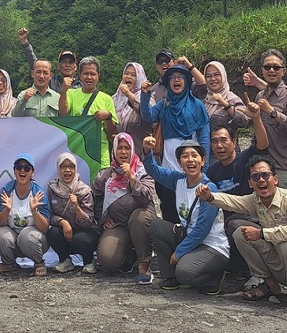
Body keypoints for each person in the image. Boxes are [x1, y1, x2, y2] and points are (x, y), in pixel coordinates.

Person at [195, 156, 287, 314]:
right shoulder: (255, 200)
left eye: (265, 175)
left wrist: (263, 233)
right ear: (250, 183)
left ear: (275, 179)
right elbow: (233, 201)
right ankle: (270, 284)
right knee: (241, 234)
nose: (261, 180)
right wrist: (210, 197)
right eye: (255, 177)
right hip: (283, 266)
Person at [144, 137, 229, 294]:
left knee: (185, 272)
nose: (190, 160)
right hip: (191, 238)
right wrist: (147, 151)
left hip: (212, 246)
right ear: (179, 162)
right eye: (185, 156)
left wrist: (179, 252)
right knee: (156, 226)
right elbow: (154, 171)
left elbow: (202, 229)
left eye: (194, 155)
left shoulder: (209, 189)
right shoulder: (179, 180)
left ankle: (213, 278)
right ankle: (171, 276)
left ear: (203, 161)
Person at [205, 95, 269, 278]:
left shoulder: (245, 160)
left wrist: (256, 118)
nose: (219, 146)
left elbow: (262, 145)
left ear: (234, 142)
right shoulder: (212, 172)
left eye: (224, 140)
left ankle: (255, 274)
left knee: (234, 225)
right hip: (228, 226)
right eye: (215, 141)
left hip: (253, 220)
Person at [140, 63, 210, 223]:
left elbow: (204, 138)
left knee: (192, 216)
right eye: (172, 77)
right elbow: (148, 116)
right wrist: (144, 95)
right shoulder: (164, 104)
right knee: (170, 213)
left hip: (191, 171)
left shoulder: (197, 105)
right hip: (168, 171)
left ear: (186, 81)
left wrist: (203, 171)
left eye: (180, 76)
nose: (176, 80)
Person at [91, 133, 156, 283]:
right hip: (118, 223)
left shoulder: (143, 171)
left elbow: (146, 198)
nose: (123, 152)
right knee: (107, 261)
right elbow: (95, 198)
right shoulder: (106, 174)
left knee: (138, 219)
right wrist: (104, 218)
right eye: (119, 148)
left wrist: (132, 179)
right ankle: (129, 256)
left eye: (127, 148)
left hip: (140, 219)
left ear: (132, 150)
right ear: (114, 150)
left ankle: (144, 265)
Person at [242, 49, 287, 194]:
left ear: (284, 71)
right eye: (267, 67)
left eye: (276, 67)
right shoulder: (260, 95)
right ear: (262, 70)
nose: (271, 70)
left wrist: (272, 112)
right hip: (263, 166)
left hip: (284, 166)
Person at [0, 152, 51, 276]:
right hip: (13, 238)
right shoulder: (6, 190)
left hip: (33, 240)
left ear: (32, 173)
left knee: (26, 236)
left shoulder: (38, 193)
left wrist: (34, 211)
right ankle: (9, 264)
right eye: (19, 167)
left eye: (27, 168)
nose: (22, 170)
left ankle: (39, 263)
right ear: (14, 170)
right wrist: (7, 209)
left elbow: (44, 228)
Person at [58, 56, 118, 166]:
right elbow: (63, 112)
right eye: (85, 74)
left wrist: (108, 116)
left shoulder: (106, 99)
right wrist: (64, 90)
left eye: (93, 74)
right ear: (80, 75)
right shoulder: (71, 94)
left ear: (98, 76)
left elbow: (111, 133)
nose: (89, 77)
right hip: (75, 154)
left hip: (99, 157)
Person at [46, 152, 96, 273]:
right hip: (65, 230)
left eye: (71, 166)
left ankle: (89, 261)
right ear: (58, 168)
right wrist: (62, 222)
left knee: (80, 239)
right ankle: (65, 261)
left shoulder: (84, 190)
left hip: (84, 231)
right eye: (63, 166)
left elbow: (88, 223)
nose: (67, 170)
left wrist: (77, 207)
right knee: (52, 232)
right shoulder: (52, 188)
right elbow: (50, 215)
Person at [17, 27, 78, 94]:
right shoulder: (51, 81)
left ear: (75, 67)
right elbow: (35, 64)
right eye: (64, 62)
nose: (67, 65)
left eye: (70, 62)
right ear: (58, 66)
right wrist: (25, 43)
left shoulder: (82, 85)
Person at [112, 62, 153, 151]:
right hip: (120, 153)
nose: (129, 77)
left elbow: (147, 114)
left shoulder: (146, 95)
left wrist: (128, 94)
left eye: (133, 75)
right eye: (126, 73)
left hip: (139, 152)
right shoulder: (115, 98)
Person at [198, 61, 248, 132]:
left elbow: (244, 121)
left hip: (225, 142)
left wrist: (225, 104)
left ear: (223, 76)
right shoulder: (204, 99)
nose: (213, 79)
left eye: (216, 75)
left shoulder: (233, 99)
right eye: (208, 76)